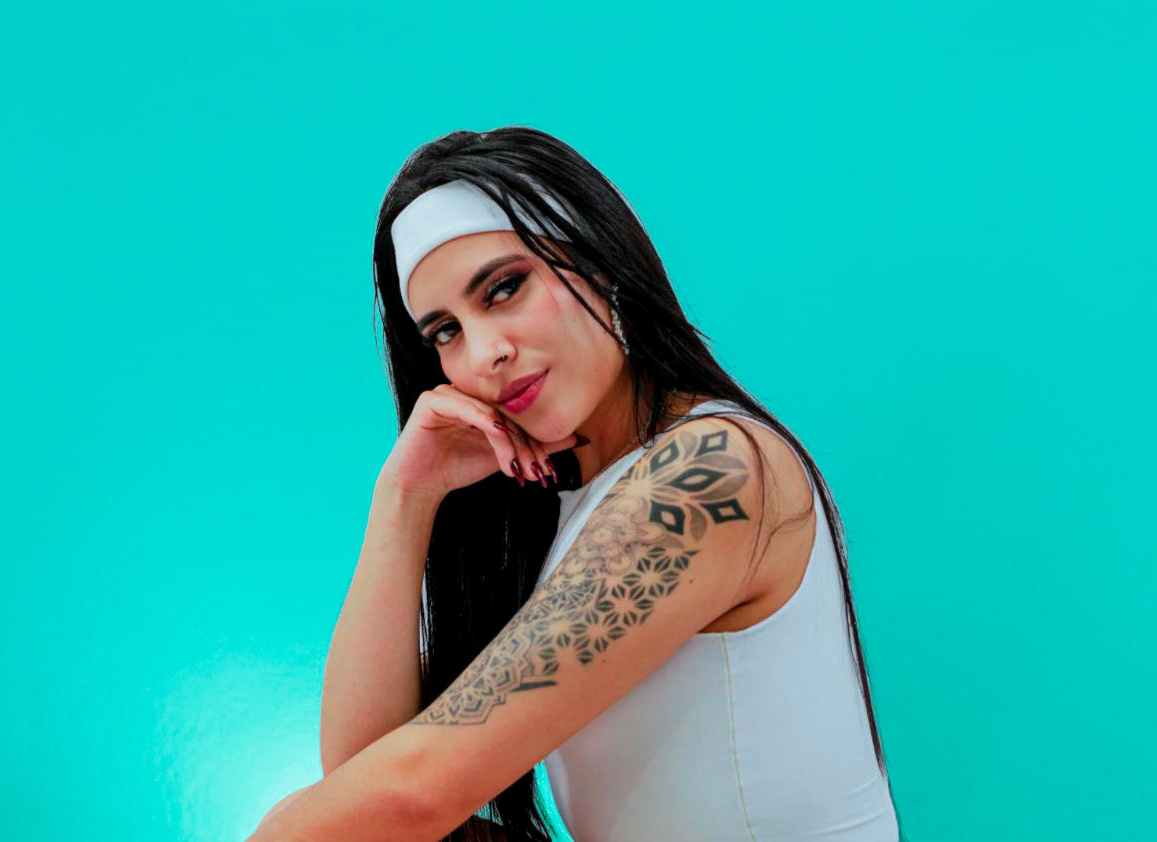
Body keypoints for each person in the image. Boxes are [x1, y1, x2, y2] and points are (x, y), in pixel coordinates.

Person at [251, 126, 904, 842]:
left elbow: (400, 801)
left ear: (599, 263)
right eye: (445, 332)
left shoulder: (710, 471)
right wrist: (406, 498)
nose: (485, 353)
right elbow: (362, 800)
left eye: (505, 289)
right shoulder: (565, 507)